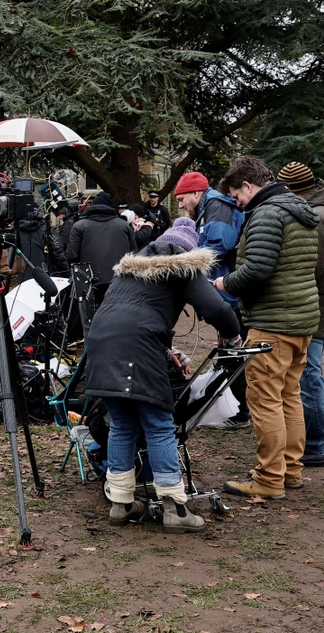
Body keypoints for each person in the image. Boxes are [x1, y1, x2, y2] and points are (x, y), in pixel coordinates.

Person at [85, 220, 241, 533]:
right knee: (158, 425)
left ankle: (121, 503)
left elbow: (134, 314)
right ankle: (174, 506)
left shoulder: (129, 270)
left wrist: (168, 352)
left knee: (123, 423)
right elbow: (216, 308)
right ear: (188, 251)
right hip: (136, 346)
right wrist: (233, 337)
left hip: (100, 344)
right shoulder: (181, 267)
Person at [212, 156, 320, 499]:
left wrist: (224, 284)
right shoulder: (299, 211)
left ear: (248, 185)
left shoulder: (267, 213)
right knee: (289, 396)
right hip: (302, 321)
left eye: (237, 196)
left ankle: (269, 478)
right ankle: (290, 470)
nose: (238, 203)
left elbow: (257, 269)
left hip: (273, 323)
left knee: (264, 399)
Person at [277, 162, 324, 468]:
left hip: (314, 306)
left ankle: (315, 444)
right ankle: (315, 441)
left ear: (294, 191)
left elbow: (309, 268)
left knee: (309, 375)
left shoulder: (319, 217)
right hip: (317, 303)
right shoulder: (323, 211)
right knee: (308, 374)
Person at [174, 171, 250, 429]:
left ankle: (238, 413)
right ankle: (231, 409)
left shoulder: (216, 208)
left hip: (228, 295)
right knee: (229, 354)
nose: (181, 205)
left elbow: (219, 244)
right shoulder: (212, 208)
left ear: (196, 193)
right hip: (224, 294)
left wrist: (189, 262)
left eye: (182, 199)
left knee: (232, 355)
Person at [66, 191, 137, 307]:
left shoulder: (79, 226)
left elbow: (71, 255)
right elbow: (134, 253)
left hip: (88, 282)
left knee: (88, 319)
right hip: (118, 281)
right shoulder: (124, 226)